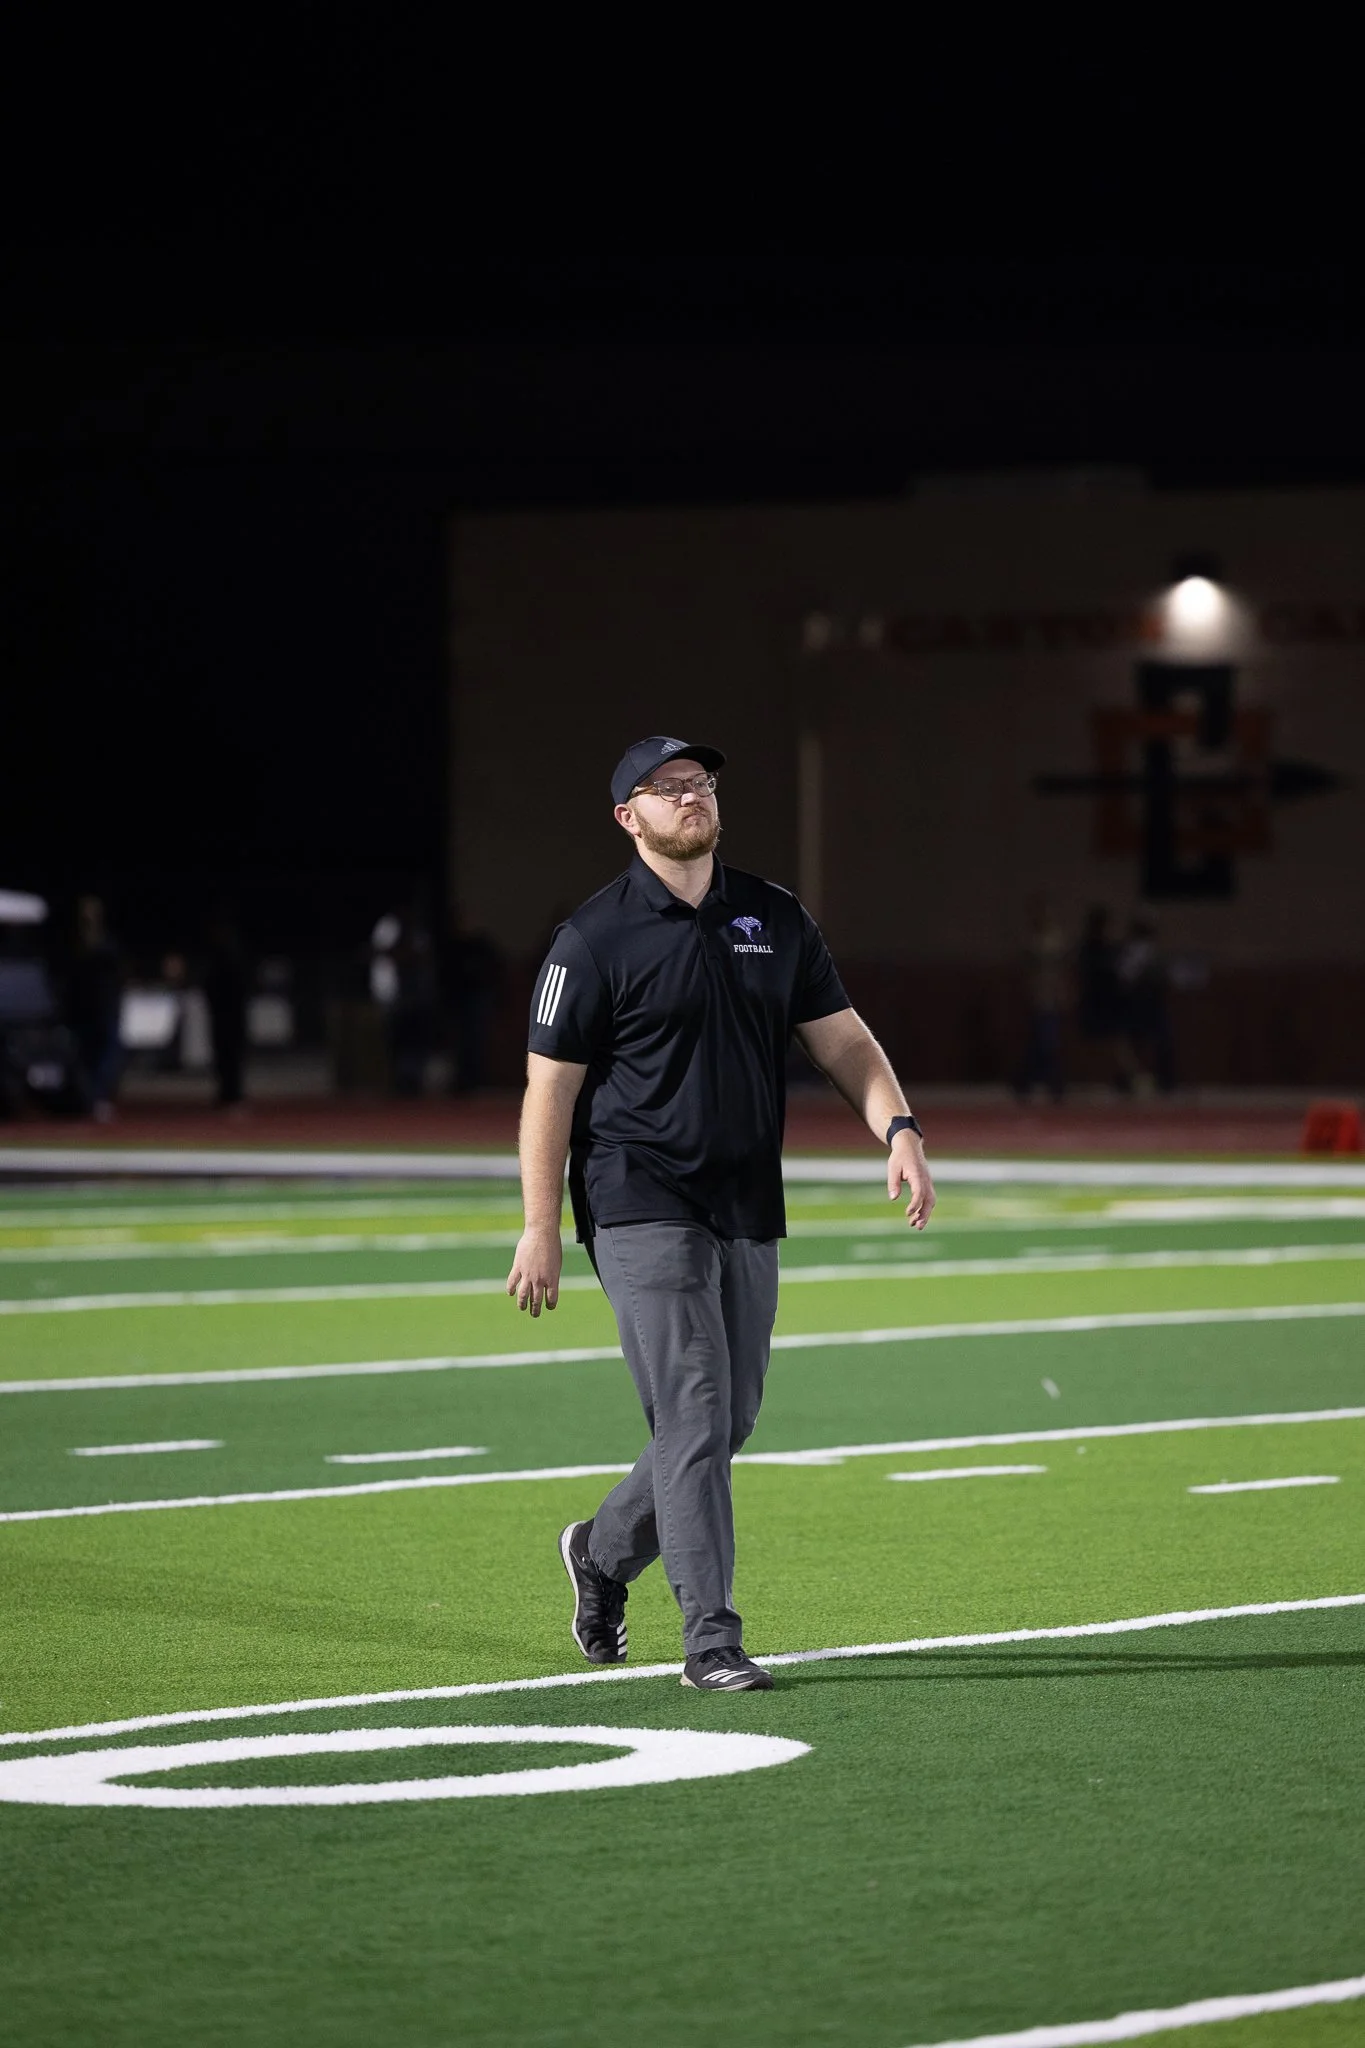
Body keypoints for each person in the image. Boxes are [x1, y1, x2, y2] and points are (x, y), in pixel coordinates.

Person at [506, 736, 935, 1693]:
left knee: (726, 1418)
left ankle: (601, 1554)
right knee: (694, 1410)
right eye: (667, 788)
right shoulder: (592, 938)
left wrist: (897, 1126)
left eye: (700, 783)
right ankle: (711, 1640)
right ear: (629, 818)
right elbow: (549, 1093)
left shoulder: (772, 917)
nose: (691, 796)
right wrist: (540, 1225)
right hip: (637, 1197)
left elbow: (844, 1042)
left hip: (744, 1198)